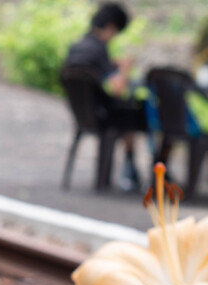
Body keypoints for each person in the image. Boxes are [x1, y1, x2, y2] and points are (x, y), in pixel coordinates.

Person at [63, 2, 146, 190]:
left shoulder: (77, 46)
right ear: (111, 27)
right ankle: (132, 170)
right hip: (102, 116)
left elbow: (91, 73)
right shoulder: (99, 48)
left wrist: (112, 64)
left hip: (83, 115)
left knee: (128, 112)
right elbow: (118, 89)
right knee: (135, 113)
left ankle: (129, 170)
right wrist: (125, 68)